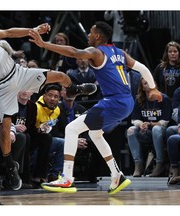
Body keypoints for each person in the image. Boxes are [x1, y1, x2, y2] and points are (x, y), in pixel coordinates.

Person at [0, 20, 97, 191]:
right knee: (5, 130)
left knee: (60, 76)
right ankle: (9, 166)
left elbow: (8, 32)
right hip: (1, 87)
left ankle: (73, 90)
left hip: (18, 72)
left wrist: (33, 30)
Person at [29, 21, 163, 194]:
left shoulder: (96, 52)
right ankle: (116, 175)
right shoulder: (119, 52)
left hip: (114, 102)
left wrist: (44, 44)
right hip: (126, 102)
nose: (88, 36)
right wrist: (152, 88)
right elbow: (143, 68)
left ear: (98, 36)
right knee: (95, 134)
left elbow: (74, 52)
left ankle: (67, 178)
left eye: (91, 33)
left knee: (71, 129)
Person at [127, 77, 172, 177]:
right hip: (145, 130)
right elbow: (134, 119)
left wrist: (150, 124)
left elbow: (165, 121)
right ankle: (138, 164)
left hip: (160, 130)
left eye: (150, 82)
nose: (149, 84)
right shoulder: (139, 100)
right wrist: (141, 125)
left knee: (156, 129)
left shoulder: (163, 98)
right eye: (145, 83)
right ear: (142, 87)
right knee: (130, 130)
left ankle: (160, 163)